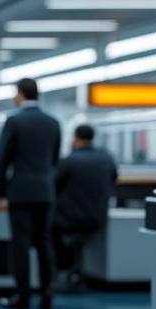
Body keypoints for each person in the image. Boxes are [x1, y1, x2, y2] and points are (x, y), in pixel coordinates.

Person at [0, 78, 61, 309]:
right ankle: (47, 293)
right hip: (45, 190)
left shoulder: (14, 121)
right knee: (44, 242)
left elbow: (3, 159)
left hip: (20, 191)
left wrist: (0, 191)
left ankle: (22, 296)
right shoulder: (53, 123)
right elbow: (54, 158)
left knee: (20, 244)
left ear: (20, 93)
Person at [52, 124, 118, 290]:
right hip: (97, 217)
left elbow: (53, 185)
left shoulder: (69, 161)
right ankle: (73, 270)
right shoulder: (106, 158)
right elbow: (113, 178)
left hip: (69, 220)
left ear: (75, 138)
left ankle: (62, 269)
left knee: (46, 230)